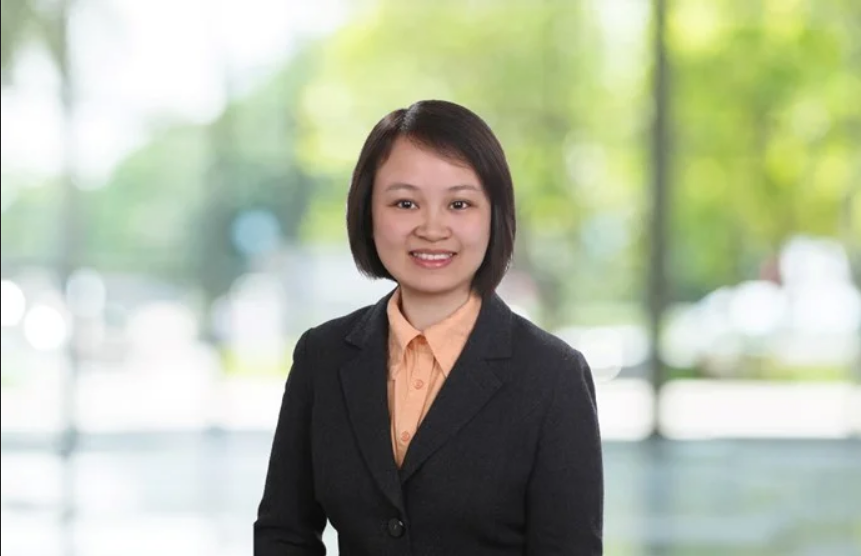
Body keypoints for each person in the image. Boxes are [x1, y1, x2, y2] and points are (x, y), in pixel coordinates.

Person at [254, 99, 603, 556]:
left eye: (459, 204)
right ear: (368, 211)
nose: (432, 228)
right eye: (405, 203)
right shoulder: (322, 356)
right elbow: (284, 533)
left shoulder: (553, 375)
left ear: (494, 215)